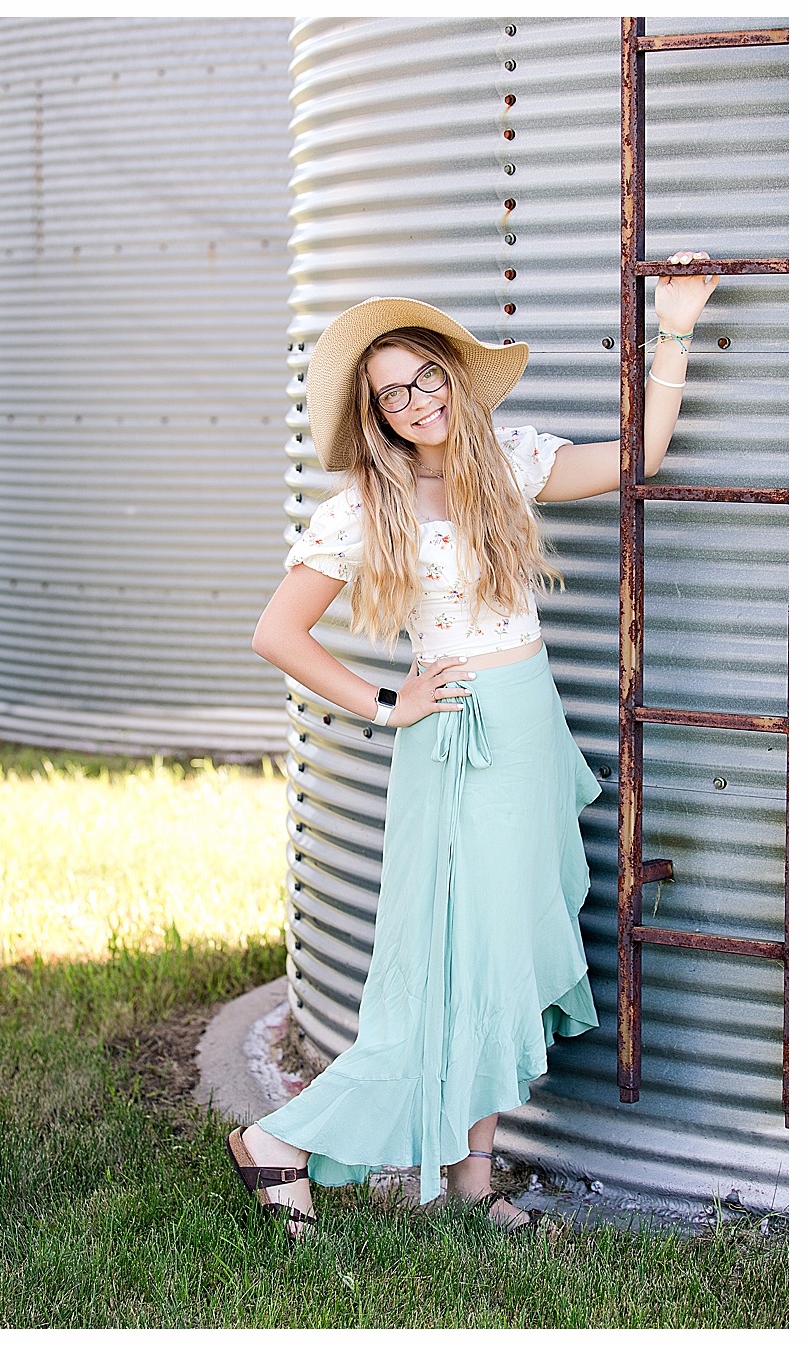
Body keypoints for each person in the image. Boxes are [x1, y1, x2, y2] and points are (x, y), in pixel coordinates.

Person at [229, 255, 720, 1240]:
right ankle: (280, 1139)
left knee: (496, 957)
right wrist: (387, 701)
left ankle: (472, 1177)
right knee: (449, 964)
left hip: (528, 725)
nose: (414, 402)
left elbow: (640, 457)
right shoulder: (371, 505)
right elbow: (276, 633)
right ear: (375, 414)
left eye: (425, 377)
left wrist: (673, 327)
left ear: (454, 375)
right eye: (390, 393)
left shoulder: (513, 461)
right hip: (455, 739)